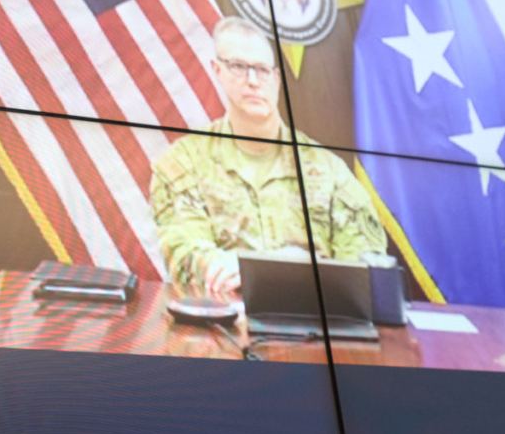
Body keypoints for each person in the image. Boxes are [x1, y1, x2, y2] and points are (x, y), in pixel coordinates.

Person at [150, 17, 388, 301]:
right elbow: (186, 256)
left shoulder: (328, 170)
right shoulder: (182, 164)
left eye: (262, 70)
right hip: (223, 328)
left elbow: (364, 267)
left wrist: (263, 267)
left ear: (276, 78)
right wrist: (301, 263)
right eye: (238, 67)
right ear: (217, 71)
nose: (253, 81)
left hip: (316, 326)